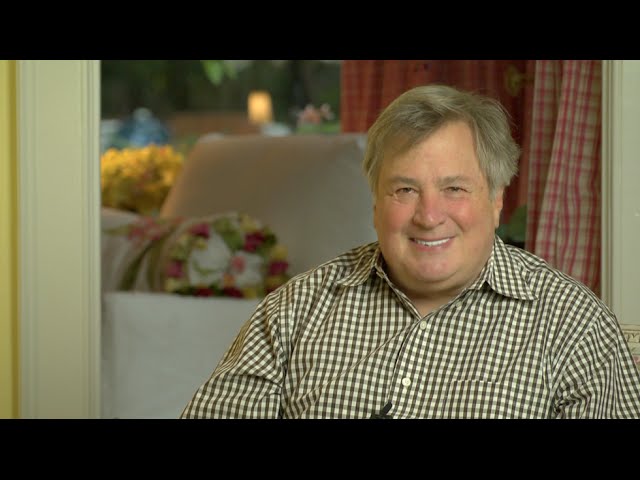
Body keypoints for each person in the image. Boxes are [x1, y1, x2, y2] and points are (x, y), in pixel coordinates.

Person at [181, 84, 640, 419]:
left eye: (454, 188)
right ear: (376, 203)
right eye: (405, 190)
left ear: (497, 198)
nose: (429, 215)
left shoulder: (573, 328)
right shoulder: (293, 312)